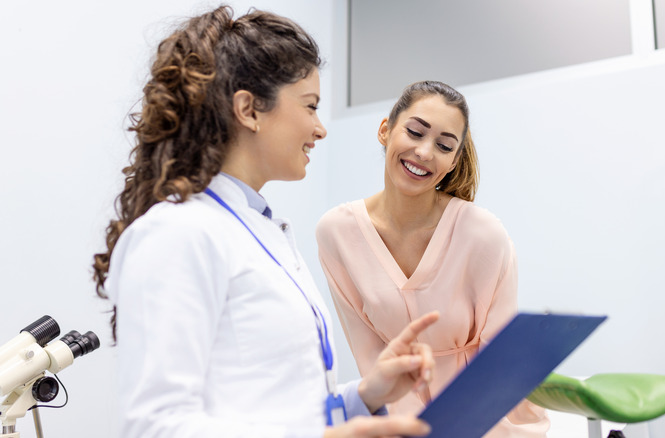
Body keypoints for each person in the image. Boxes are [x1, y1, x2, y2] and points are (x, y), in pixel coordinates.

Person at [92, 6, 439, 438]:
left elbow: (274, 403)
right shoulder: (178, 234)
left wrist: (366, 395)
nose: (320, 128)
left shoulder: (262, 230)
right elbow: (155, 427)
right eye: (310, 106)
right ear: (249, 110)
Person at [315, 81, 550, 437]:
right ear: (385, 130)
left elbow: (499, 364)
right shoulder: (336, 233)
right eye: (414, 132)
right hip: (402, 423)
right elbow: (371, 359)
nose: (425, 152)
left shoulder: (484, 234)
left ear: (454, 160)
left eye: (444, 146)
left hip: (491, 421)